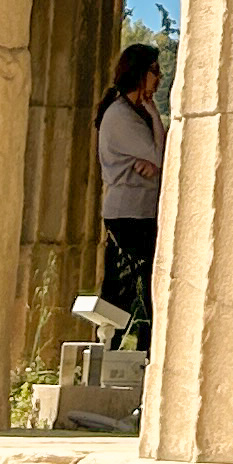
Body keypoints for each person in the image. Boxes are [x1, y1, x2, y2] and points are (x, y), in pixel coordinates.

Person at [94, 41, 165, 345]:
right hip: (129, 214)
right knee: (128, 290)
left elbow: (157, 159)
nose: (159, 77)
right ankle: (110, 351)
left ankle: (135, 353)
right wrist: (155, 117)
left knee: (143, 288)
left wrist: (155, 162)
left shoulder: (135, 114)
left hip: (138, 211)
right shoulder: (121, 114)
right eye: (154, 70)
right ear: (139, 72)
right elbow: (161, 155)